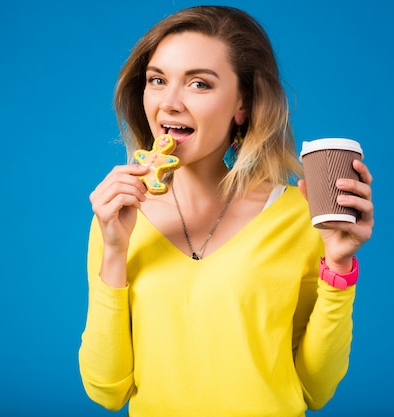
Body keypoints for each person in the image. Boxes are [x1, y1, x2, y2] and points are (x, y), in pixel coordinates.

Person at [79, 5, 374, 417]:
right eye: (157, 80)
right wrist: (113, 250)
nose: (169, 102)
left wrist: (339, 265)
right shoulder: (119, 216)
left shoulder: (298, 217)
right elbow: (106, 391)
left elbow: (315, 388)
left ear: (242, 105)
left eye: (199, 84)